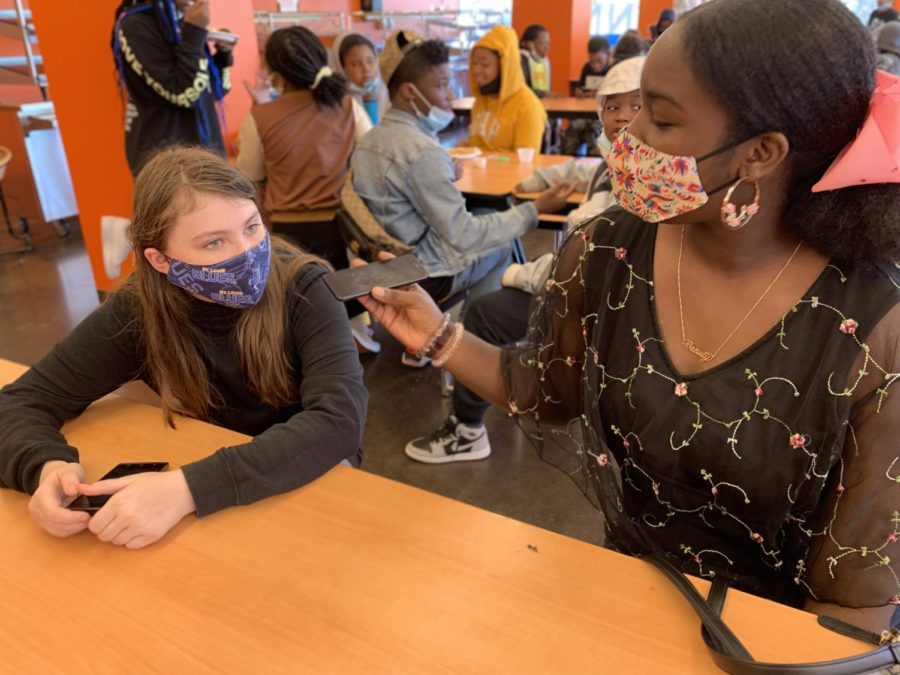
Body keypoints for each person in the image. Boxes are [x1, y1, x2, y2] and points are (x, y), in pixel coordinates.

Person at [357, 0, 900, 631]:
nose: (628, 136)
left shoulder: (872, 330)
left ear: (761, 153)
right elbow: (545, 392)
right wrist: (439, 334)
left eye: (661, 120)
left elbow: (854, 598)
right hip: (623, 607)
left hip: (770, 643)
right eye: (633, 106)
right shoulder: (611, 247)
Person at [0, 147, 367, 549]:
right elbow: (21, 402)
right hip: (213, 489)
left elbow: (339, 421)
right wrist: (45, 466)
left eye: (251, 227)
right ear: (159, 260)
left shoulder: (305, 286)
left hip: (311, 475)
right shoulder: (139, 309)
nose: (246, 252)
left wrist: (185, 490)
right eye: (214, 243)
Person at [404, 56, 645, 464]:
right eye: (612, 106)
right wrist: (533, 181)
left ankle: (467, 430)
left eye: (636, 106)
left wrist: (516, 273)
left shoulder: (638, 182)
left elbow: (578, 266)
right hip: (588, 289)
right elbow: (574, 170)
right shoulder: (614, 164)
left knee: (486, 306)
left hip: (598, 305)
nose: (622, 117)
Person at [350, 30, 571, 366]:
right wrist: (534, 210)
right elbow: (464, 235)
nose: (450, 94)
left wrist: (442, 172)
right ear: (410, 92)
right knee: (500, 243)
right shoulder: (422, 151)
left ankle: (438, 335)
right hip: (426, 270)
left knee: (486, 212)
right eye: (441, 85)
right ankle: (467, 345)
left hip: (389, 259)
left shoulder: (369, 141)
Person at [236, 26, 378, 353]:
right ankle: (353, 331)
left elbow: (251, 174)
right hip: (341, 226)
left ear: (275, 73)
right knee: (343, 288)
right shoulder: (346, 105)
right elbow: (372, 155)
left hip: (287, 231)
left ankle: (316, 346)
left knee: (301, 297)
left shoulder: (260, 116)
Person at [112, 0, 234, 175]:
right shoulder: (136, 26)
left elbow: (212, 92)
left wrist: (223, 55)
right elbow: (184, 95)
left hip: (205, 153)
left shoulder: (181, 21)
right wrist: (194, 32)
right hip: (168, 163)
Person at [464, 25, 547, 153]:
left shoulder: (528, 107)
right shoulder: (481, 101)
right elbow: (475, 145)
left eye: (484, 64)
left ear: (505, 66)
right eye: (474, 63)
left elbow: (525, 162)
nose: (476, 70)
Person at [331, 32, 391, 126]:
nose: (366, 69)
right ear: (343, 68)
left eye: (370, 61)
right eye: (357, 64)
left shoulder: (389, 89)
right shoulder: (339, 101)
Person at [519, 24, 555, 98]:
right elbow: (521, 88)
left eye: (548, 43)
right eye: (542, 43)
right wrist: (544, 94)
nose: (547, 47)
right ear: (529, 44)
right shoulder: (522, 59)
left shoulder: (545, 62)